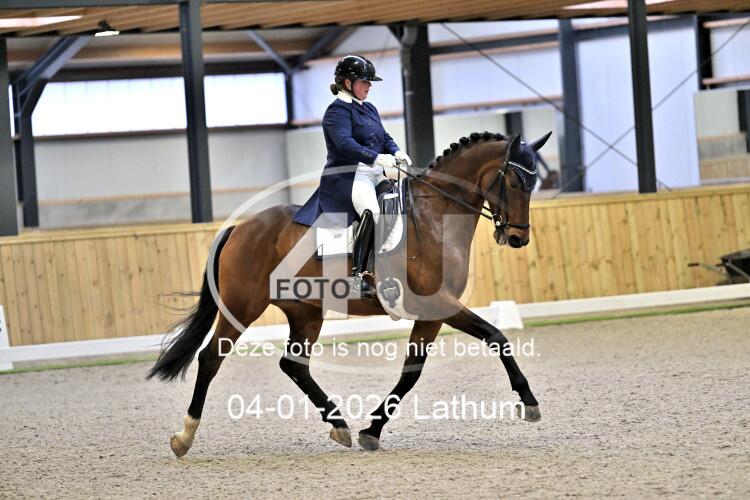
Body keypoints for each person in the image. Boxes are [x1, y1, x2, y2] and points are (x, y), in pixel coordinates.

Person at [293, 54, 412, 297]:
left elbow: (383, 136)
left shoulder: (369, 108)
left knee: (399, 206)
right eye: (364, 82)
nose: (369, 86)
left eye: (369, 82)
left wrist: (396, 151)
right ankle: (358, 277)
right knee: (372, 212)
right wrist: (377, 157)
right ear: (347, 83)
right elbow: (345, 144)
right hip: (350, 176)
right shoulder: (336, 112)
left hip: (375, 173)